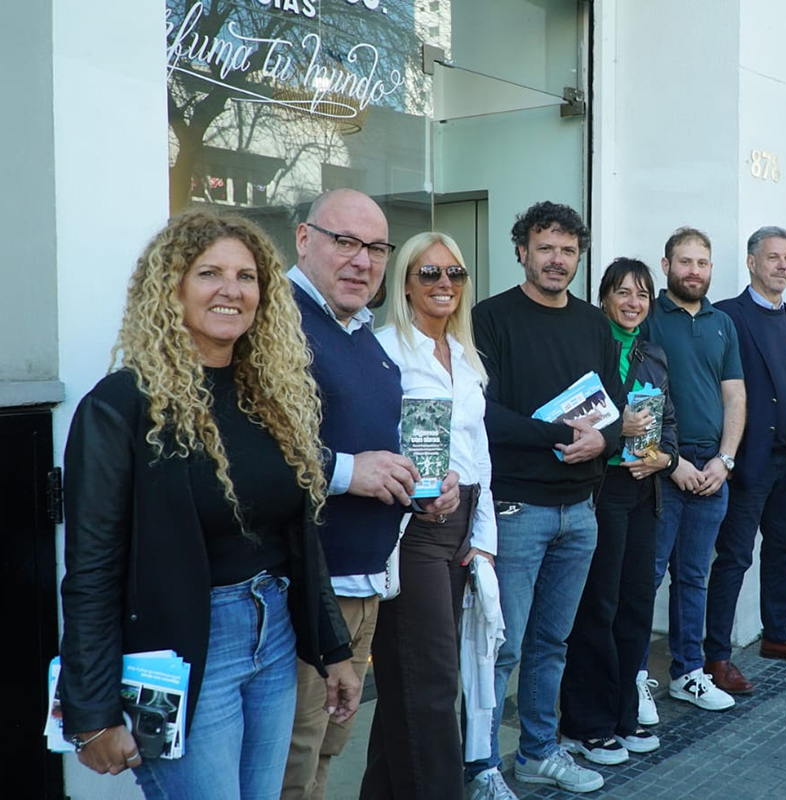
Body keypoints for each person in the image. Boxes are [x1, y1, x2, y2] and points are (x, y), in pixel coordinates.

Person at [59, 209, 359, 799]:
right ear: (170, 287)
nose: (232, 290)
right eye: (209, 273)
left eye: (246, 276)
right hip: (179, 651)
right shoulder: (120, 407)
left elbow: (298, 540)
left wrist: (333, 651)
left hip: (272, 637)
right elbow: (91, 571)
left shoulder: (270, 399)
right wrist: (90, 710)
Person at [283, 190, 460, 799]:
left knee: (328, 750)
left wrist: (420, 487)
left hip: (365, 583)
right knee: (293, 760)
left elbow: (378, 444)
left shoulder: (358, 331)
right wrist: (345, 471)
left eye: (377, 248)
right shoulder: (277, 319)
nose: (362, 260)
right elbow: (248, 440)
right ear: (305, 239)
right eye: (346, 242)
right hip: (308, 587)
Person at [466, 201, 622, 798]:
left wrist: (601, 443)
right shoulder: (490, 319)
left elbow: (611, 412)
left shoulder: (591, 324)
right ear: (522, 251)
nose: (557, 260)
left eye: (567, 250)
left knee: (552, 643)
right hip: (517, 510)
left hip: (580, 511)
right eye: (545, 248)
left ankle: (536, 753)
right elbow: (486, 414)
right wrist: (565, 436)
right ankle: (480, 767)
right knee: (499, 647)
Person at [361, 232, 497, 798]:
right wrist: (416, 489)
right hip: (410, 530)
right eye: (430, 274)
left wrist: (485, 535)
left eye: (455, 274)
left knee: (409, 682)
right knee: (433, 682)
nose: (445, 284)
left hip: (464, 522)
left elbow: (479, 449)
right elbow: (374, 439)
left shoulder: (465, 354)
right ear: (406, 283)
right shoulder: (385, 349)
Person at [559, 258, 679, 766]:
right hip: (599, 491)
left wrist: (665, 457)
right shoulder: (587, 347)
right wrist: (618, 440)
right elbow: (567, 422)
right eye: (624, 293)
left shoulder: (654, 354)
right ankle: (587, 724)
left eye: (643, 295)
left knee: (634, 609)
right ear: (605, 296)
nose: (633, 303)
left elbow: (668, 421)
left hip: (644, 493)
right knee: (597, 609)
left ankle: (624, 716)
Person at [703, 226, 786, 693]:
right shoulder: (728, 316)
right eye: (772, 257)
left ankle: (777, 636)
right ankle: (716, 656)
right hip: (747, 461)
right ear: (752, 262)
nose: (781, 265)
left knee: (782, 551)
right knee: (734, 556)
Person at [641, 227, 746, 713]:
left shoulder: (722, 322)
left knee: (693, 576)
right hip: (661, 470)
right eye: (684, 262)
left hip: (712, 470)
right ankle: (636, 676)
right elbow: (636, 396)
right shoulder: (647, 316)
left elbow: (735, 395)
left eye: (702, 263)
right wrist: (674, 462)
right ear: (666, 266)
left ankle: (688, 672)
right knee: (648, 575)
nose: (694, 271)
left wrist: (724, 461)